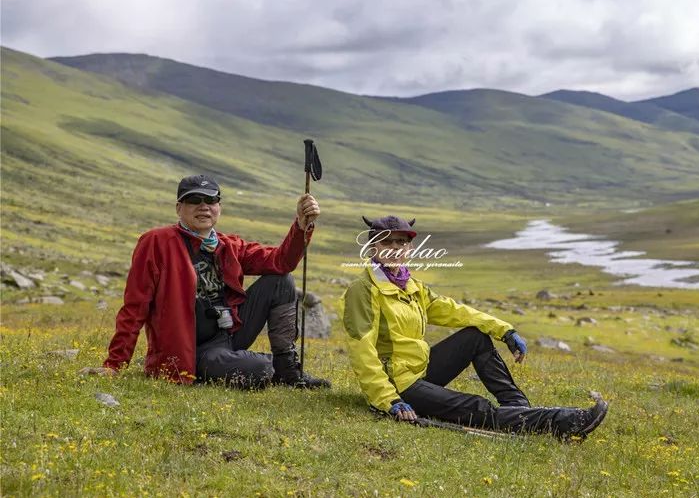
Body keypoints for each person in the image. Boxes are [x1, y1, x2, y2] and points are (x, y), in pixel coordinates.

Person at [342, 215, 607, 440]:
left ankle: (518, 409)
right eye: (386, 241)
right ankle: (563, 422)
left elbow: (456, 311)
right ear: (373, 247)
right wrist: (389, 401)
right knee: (477, 406)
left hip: (418, 372)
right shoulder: (363, 290)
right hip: (398, 386)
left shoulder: (411, 287)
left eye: (402, 241)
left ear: (410, 247)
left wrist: (504, 330)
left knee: (475, 337)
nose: (395, 248)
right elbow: (362, 353)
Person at [82, 174, 330, 389]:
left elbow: (281, 262)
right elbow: (135, 306)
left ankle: (288, 371)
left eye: (211, 200)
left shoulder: (228, 245)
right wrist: (114, 365)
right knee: (259, 369)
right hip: (193, 350)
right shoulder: (156, 242)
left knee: (281, 280)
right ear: (179, 208)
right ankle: (258, 366)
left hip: (230, 334)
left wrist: (300, 225)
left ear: (219, 207)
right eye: (194, 200)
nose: (204, 207)